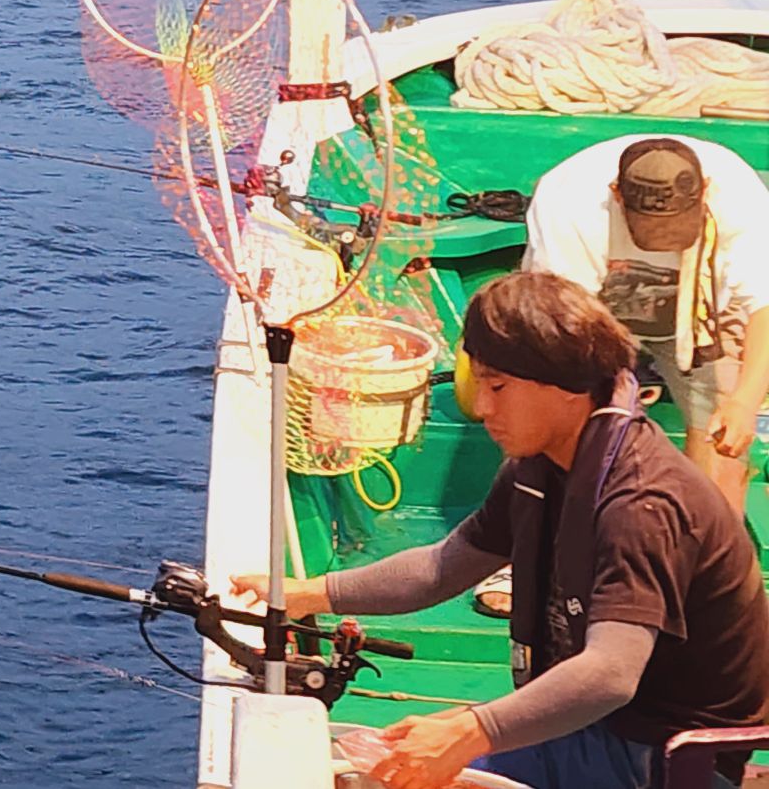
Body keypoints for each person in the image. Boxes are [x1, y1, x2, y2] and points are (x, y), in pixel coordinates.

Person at [234, 271, 769, 789]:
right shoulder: (543, 463)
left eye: (499, 386)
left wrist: (471, 731)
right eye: (479, 383)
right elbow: (444, 565)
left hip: (661, 756)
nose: (483, 407)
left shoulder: (641, 503)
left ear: (569, 386)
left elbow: (610, 673)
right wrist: (308, 594)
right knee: (382, 764)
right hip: (594, 728)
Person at [524, 135, 769, 514]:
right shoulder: (569, 202)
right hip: (589, 313)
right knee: (554, 420)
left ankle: (705, 554)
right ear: (616, 194)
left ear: (705, 191)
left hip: (700, 314)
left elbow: (765, 308)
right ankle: (545, 535)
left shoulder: (739, 197)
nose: (663, 245)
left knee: (724, 444)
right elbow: (566, 327)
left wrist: (743, 403)